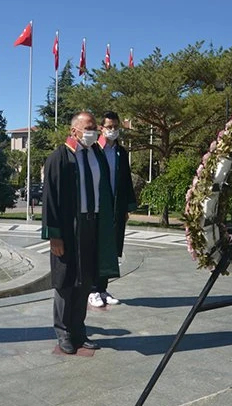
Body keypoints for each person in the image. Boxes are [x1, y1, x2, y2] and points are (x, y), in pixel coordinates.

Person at [41, 111, 116, 354]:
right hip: (68, 228)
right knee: (66, 281)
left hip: (92, 224)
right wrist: (54, 235)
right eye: (89, 127)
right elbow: (50, 199)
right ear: (74, 131)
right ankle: (63, 332)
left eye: (95, 127)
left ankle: (79, 331)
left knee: (85, 281)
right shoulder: (60, 157)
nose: (93, 132)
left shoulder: (97, 155)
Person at [88, 111, 138, 307]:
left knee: (111, 249)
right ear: (101, 128)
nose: (113, 130)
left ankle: (103, 288)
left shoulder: (121, 152)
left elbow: (126, 181)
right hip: (98, 208)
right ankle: (92, 290)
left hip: (116, 207)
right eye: (109, 127)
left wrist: (127, 208)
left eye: (116, 127)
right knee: (96, 249)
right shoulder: (93, 150)